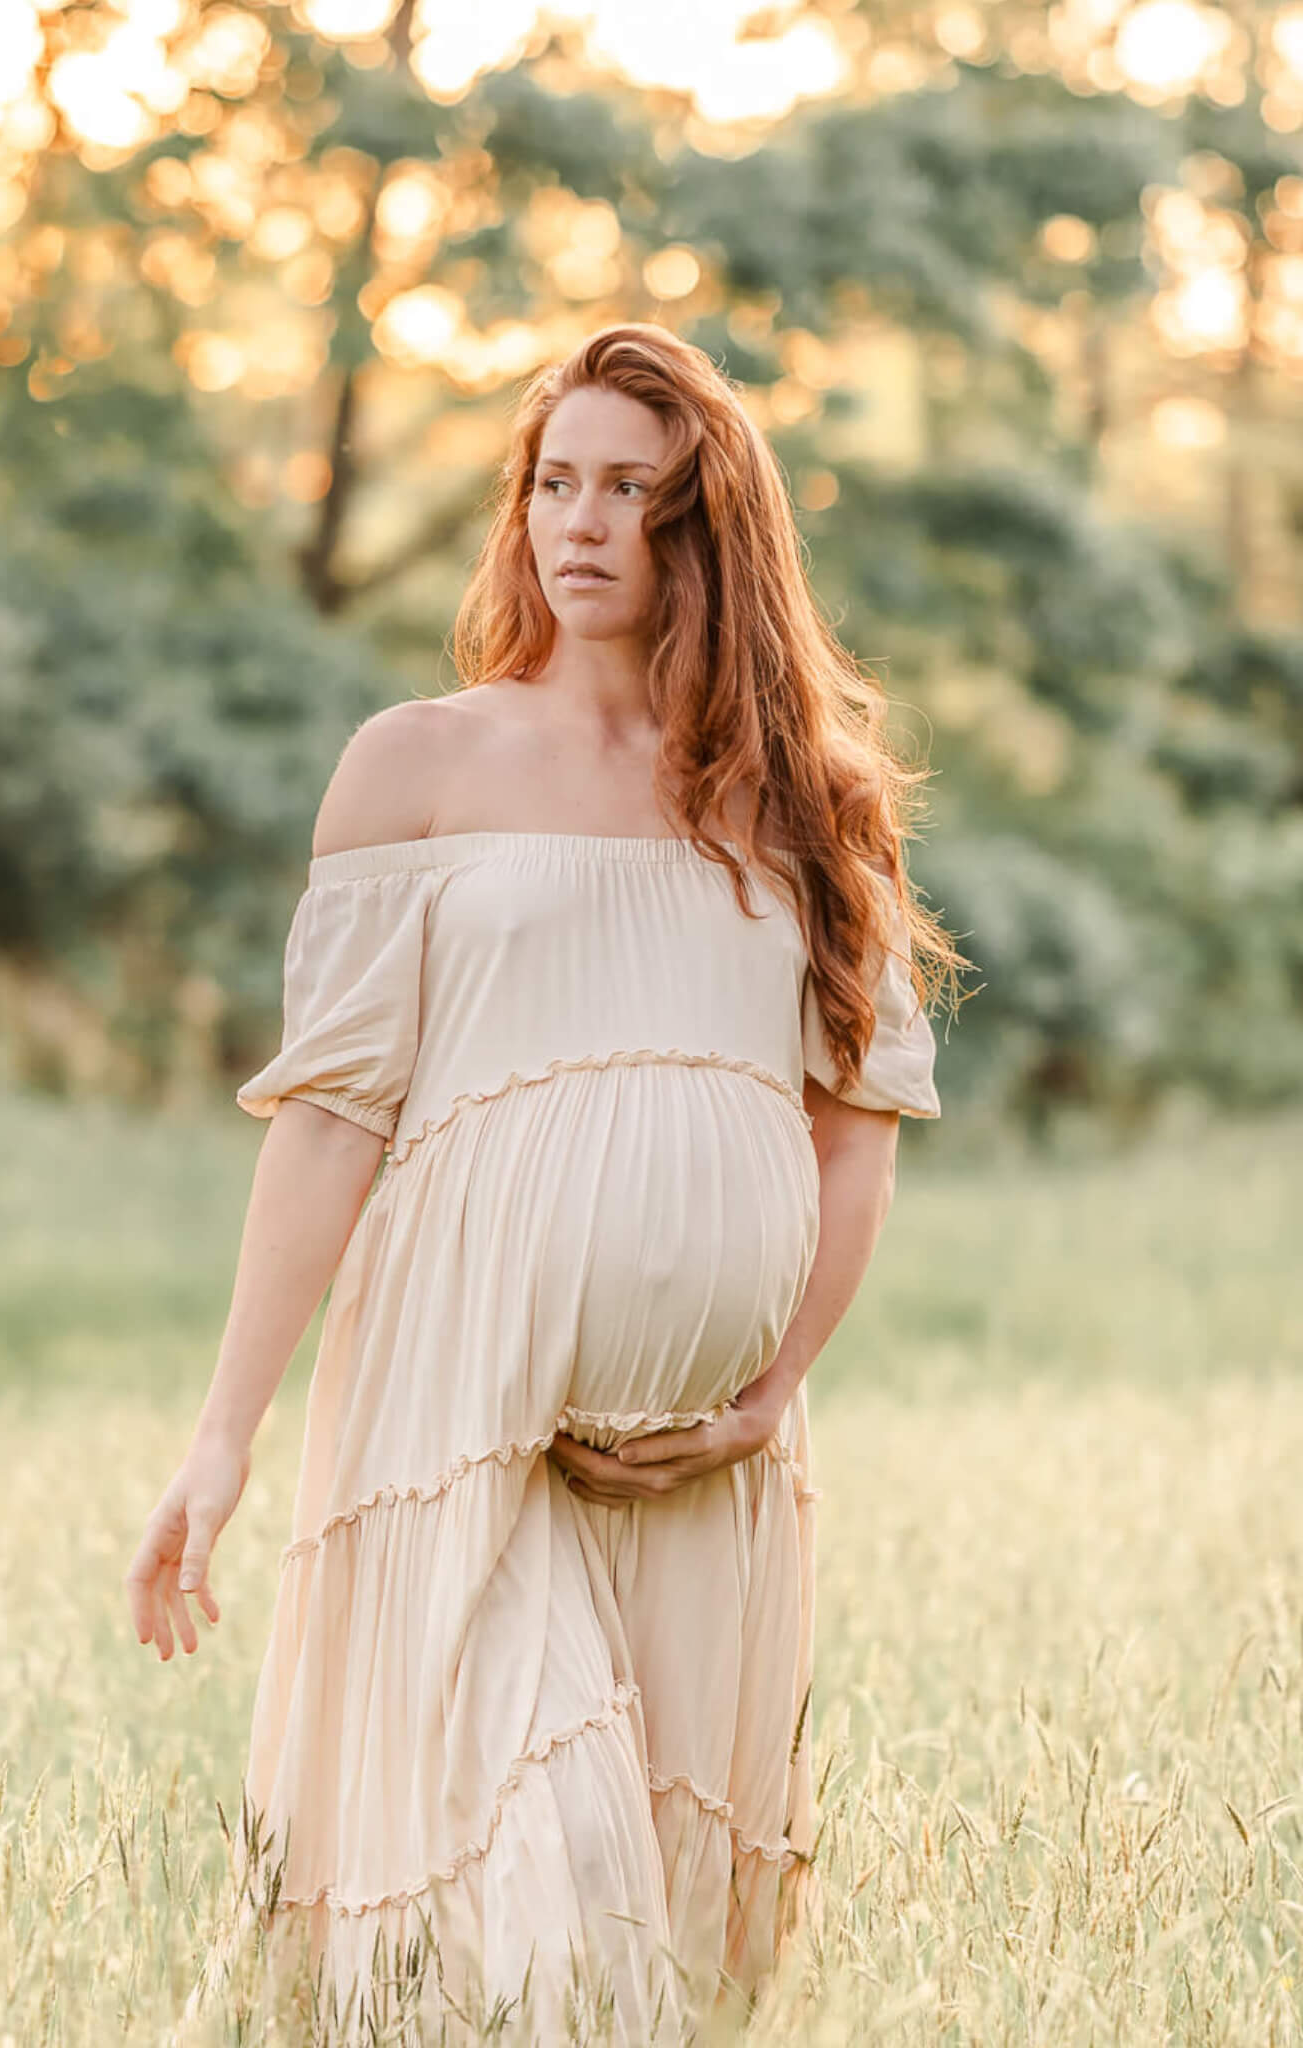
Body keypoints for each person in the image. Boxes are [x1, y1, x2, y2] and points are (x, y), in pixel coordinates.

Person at [123, 322, 967, 2042]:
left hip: (708, 1464)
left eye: (632, 494)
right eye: (554, 483)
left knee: (662, 1925)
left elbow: (854, 1131)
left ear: (707, 533)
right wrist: (224, 1435)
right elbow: (330, 1120)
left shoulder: (807, 805)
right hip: (457, 1414)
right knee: (531, 1906)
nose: (580, 525)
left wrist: (770, 1393)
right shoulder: (417, 765)